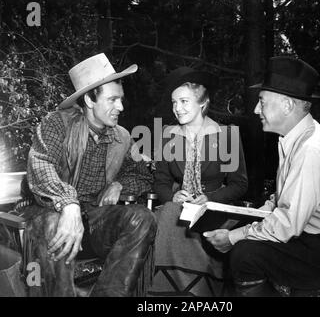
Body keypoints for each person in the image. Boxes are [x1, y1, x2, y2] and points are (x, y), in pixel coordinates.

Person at [204, 56, 320, 296]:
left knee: (245, 255)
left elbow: (287, 224)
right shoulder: (297, 138)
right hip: (318, 240)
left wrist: (233, 237)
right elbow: (284, 199)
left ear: (288, 105)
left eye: (262, 101)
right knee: (245, 240)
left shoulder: (311, 148)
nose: (255, 109)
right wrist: (246, 217)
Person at [23, 53, 157, 297]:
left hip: (94, 221)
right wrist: (68, 204)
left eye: (121, 99)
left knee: (142, 217)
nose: (121, 107)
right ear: (89, 99)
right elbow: (40, 164)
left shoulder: (123, 137)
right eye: (113, 99)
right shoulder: (56, 124)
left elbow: (142, 175)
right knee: (55, 223)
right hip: (48, 215)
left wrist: (119, 184)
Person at [148, 67, 248, 296]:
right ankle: (165, 293)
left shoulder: (227, 136)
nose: (177, 109)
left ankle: (203, 291)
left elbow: (239, 185)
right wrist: (171, 196)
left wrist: (210, 198)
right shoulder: (167, 134)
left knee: (198, 223)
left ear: (203, 102)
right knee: (170, 214)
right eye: (174, 103)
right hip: (177, 207)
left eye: (184, 101)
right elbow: (161, 182)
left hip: (215, 208)